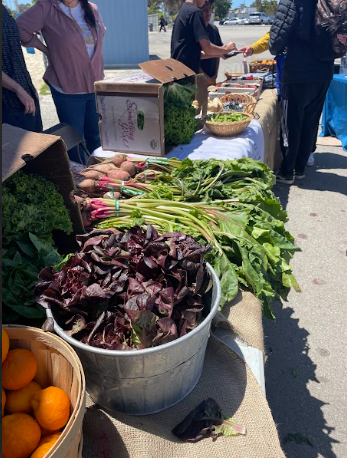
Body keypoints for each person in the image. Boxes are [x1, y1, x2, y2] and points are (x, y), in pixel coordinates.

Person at [17, 0, 106, 163]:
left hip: (94, 84)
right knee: (75, 139)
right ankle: (81, 178)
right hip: (67, 85)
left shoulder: (91, 8)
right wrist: (46, 49)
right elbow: (19, 27)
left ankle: (101, 172)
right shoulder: (46, 7)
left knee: (94, 135)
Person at [269, 0, 334, 184]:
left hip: (298, 72)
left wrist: (278, 47)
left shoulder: (293, 1)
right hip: (324, 72)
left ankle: (288, 171)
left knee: (292, 123)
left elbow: (276, 40)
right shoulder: (328, 1)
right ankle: (301, 168)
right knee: (311, 122)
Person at [2, 5, 43, 133]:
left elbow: (15, 54)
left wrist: (28, 86)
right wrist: (19, 89)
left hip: (25, 95)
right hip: (8, 102)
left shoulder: (3, 9)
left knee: (40, 146)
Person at [171, 0, 237, 74]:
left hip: (178, 72)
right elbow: (207, 49)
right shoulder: (195, 12)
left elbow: (190, 52)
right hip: (188, 74)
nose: (205, 1)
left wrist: (221, 53)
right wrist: (226, 49)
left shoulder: (184, 10)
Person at [199, 0, 223, 86]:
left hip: (212, 78)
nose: (208, 13)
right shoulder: (195, 31)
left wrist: (215, 75)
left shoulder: (214, 29)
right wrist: (206, 78)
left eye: (210, 10)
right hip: (198, 79)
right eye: (204, 10)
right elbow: (193, 58)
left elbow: (218, 54)